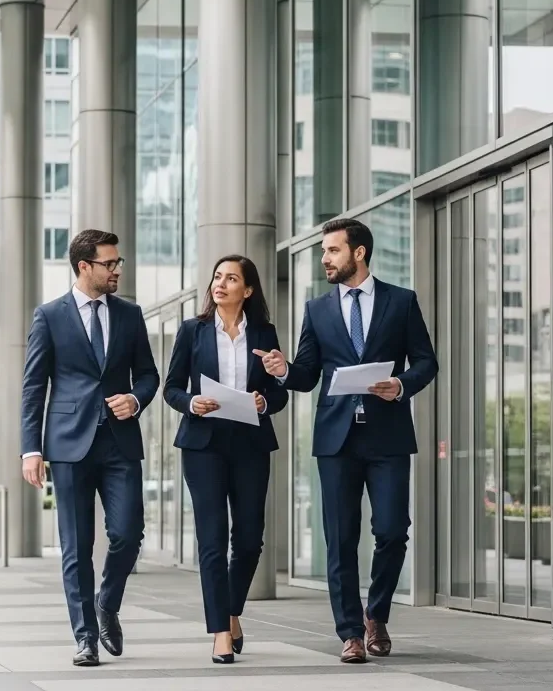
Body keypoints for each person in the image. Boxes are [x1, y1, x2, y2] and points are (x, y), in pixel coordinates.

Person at [255, 219, 437, 664]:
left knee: (393, 531)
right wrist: (284, 369)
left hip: (388, 435)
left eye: (333, 251)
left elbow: (427, 361)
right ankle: (351, 633)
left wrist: (401, 384)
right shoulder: (317, 309)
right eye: (323, 252)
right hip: (336, 438)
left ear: (359, 253)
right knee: (340, 538)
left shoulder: (402, 301)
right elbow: (308, 374)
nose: (325, 259)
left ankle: (377, 614)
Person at [20, 228, 160, 667]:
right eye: (110, 263)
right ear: (85, 266)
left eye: (118, 263)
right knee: (76, 546)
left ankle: (107, 603)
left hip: (119, 442)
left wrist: (135, 398)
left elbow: (150, 375)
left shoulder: (130, 314)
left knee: (127, 533)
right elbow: (33, 388)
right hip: (67, 446)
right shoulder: (49, 315)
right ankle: (85, 638)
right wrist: (31, 449)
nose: (117, 269)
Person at [164, 255, 288, 664]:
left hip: (251, 444)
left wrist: (264, 399)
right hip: (204, 446)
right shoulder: (192, 331)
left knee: (250, 539)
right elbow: (171, 389)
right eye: (217, 276)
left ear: (247, 290)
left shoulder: (265, 333)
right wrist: (191, 402)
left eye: (231, 278)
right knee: (212, 540)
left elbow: (280, 392)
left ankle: (232, 612)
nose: (220, 284)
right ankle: (219, 630)